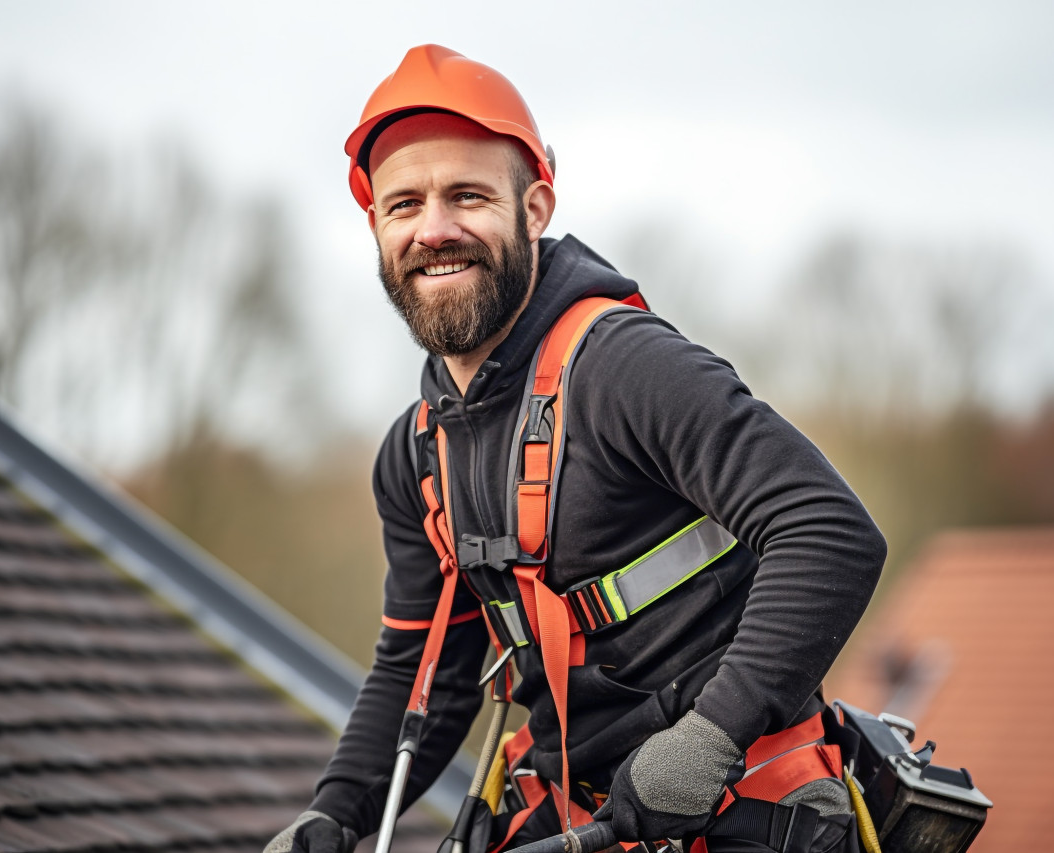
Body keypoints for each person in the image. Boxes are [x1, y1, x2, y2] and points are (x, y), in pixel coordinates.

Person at [266, 45, 886, 853]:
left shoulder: (624, 369)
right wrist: (337, 811)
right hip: (572, 816)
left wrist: (711, 738)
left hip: (739, 805)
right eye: (404, 204)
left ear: (535, 207)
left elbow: (830, 532)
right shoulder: (417, 456)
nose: (435, 229)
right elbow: (422, 669)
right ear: (376, 225)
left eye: (468, 195)